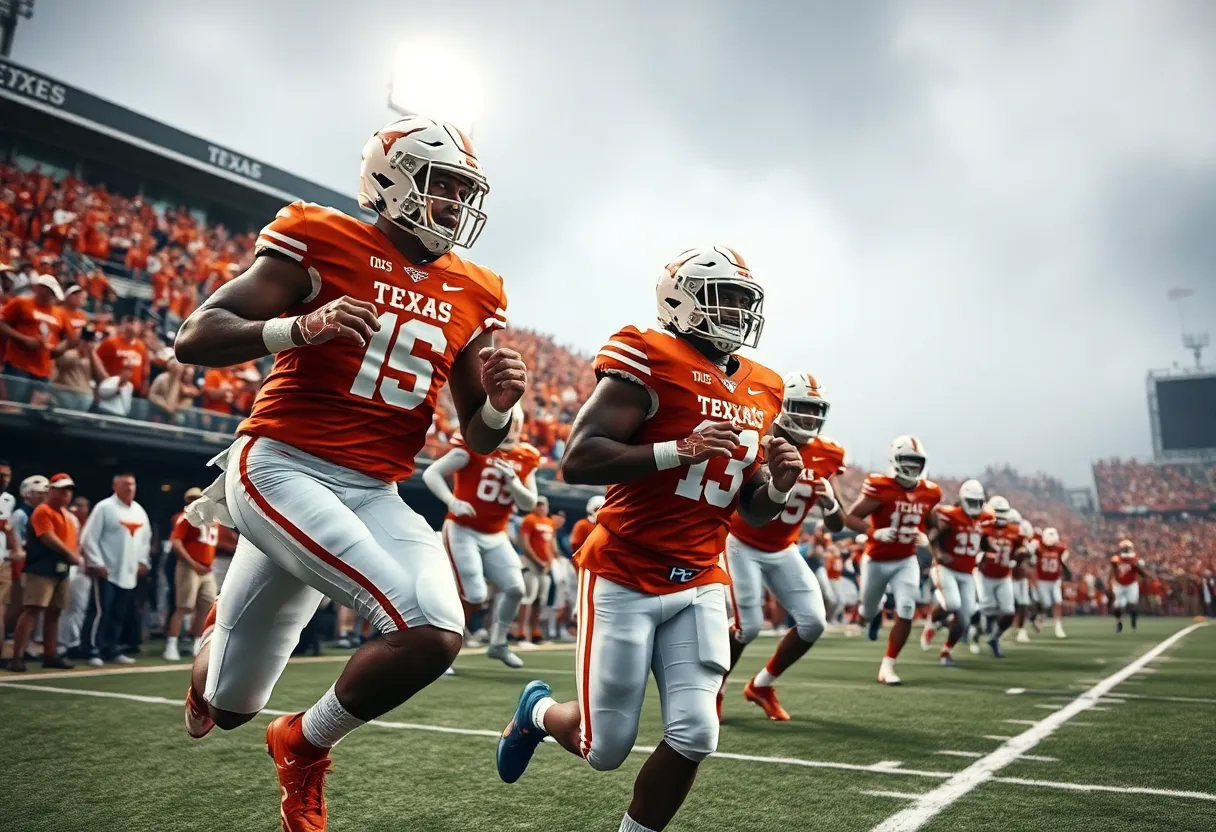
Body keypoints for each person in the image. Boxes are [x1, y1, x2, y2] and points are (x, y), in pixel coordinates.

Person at [171, 115, 526, 832]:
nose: (455, 204)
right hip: (281, 466)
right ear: (390, 182)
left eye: (464, 190)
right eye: (442, 185)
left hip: (375, 489)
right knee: (416, 630)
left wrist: (500, 408)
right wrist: (295, 328)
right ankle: (278, 717)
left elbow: (480, 436)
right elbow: (193, 338)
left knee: (242, 706)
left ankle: (283, 720)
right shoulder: (321, 237)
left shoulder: (474, 288)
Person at [496, 244, 799, 832]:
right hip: (625, 571)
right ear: (680, 298)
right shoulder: (649, 353)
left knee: (696, 733)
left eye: (744, 300)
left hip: (702, 576)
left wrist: (779, 488)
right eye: (723, 296)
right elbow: (579, 460)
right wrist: (676, 449)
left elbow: (752, 512)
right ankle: (536, 711)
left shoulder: (764, 386)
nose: (736, 311)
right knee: (604, 746)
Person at [719, 372, 844, 721]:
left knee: (814, 622)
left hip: (783, 547)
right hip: (741, 541)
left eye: (815, 409)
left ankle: (762, 684)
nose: (809, 417)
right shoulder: (758, 438)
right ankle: (716, 688)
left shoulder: (827, 454)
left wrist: (831, 504)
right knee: (748, 627)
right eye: (802, 407)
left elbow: (838, 523)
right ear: (784, 405)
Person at [423, 405, 538, 667]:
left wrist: (514, 483)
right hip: (463, 529)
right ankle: (442, 653)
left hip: (496, 534)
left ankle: (498, 643)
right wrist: (451, 501)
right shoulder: (474, 447)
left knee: (516, 588)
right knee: (473, 594)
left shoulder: (525, 457)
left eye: (516, 424)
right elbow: (432, 473)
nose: (512, 431)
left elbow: (529, 504)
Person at [844, 436, 942, 685]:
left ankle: (888, 665)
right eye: (907, 460)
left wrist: (926, 536)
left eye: (916, 461)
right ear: (894, 460)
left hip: (905, 559)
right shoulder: (881, 487)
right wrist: (872, 532)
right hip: (876, 559)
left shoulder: (929, 492)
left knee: (907, 608)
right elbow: (851, 518)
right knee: (867, 610)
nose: (912, 466)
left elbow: (934, 526)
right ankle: (873, 615)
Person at [79, 473, 152, 667]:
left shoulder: (139, 511)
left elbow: (145, 540)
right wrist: (96, 563)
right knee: (100, 612)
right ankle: (91, 649)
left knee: (119, 614)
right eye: (125, 484)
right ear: (115, 486)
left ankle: (110, 648)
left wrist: (143, 561)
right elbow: (89, 538)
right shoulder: (104, 508)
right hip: (107, 571)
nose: (129, 488)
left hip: (128, 573)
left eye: (132, 484)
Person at [9, 473, 80, 672]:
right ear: (52, 491)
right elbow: (47, 537)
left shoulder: (66, 516)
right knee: (32, 609)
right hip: (41, 567)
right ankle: (18, 656)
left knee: (55, 612)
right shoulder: (43, 511)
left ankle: (50, 654)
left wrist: (72, 555)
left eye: (69, 490)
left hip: (61, 568)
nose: (67, 494)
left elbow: (70, 541)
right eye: (62, 489)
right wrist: (71, 555)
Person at [921, 479, 988, 665]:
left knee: (965, 619)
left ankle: (946, 651)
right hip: (945, 568)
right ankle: (931, 622)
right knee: (951, 604)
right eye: (972, 501)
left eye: (978, 502)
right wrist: (939, 553)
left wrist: (988, 549)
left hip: (967, 572)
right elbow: (932, 535)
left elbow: (982, 542)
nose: (975, 506)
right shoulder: (948, 515)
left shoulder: (985, 518)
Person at [163, 487, 219, 662]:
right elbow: (176, 541)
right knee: (184, 607)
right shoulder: (186, 516)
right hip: (189, 567)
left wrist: (209, 561)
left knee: (207, 607)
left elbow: (210, 544)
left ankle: (195, 642)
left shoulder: (212, 519)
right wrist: (193, 562)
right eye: (191, 498)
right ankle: (171, 645)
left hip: (206, 569)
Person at [0, 274, 73, 401]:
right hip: (18, 364)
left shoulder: (60, 313)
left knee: (35, 409)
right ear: (40, 288)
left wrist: (57, 349)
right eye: (48, 291)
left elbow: (68, 338)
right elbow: (1, 323)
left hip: (43, 369)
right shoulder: (21, 302)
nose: (51, 295)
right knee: (14, 404)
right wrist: (24, 339)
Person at [975, 496, 1029, 658]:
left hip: (1004, 574)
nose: (1000, 516)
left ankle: (994, 638)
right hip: (984, 574)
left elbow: (1022, 549)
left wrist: (1022, 553)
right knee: (988, 609)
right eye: (997, 512)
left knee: (1008, 611)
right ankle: (975, 632)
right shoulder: (982, 527)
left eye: (1003, 512)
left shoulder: (1014, 530)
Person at [516, 495, 557, 645]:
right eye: (538, 504)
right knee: (528, 598)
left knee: (540, 600)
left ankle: (535, 633)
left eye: (543, 504)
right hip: (533, 564)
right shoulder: (529, 519)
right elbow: (524, 544)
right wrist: (538, 561)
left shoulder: (550, 522)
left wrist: (551, 561)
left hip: (545, 566)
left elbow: (551, 544)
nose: (541, 507)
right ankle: (521, 633)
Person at [0, 460, 21, 664]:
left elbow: (8, 527)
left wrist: (16, 548)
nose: (4, 480)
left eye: (6, 476)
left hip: (2, 560)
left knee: (2, 608)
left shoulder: (8, 500)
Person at [1034, 527, 1070, 639]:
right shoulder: (1038, 548)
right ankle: (1040, 616)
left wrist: (1064, 564)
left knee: (1058, 602)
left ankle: (1058, 627)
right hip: (1042, 580)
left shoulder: (1060, 548)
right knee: (1046, 604)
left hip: (1055, 580)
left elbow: (1065, 555)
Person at [1109, 539, 1148, 633]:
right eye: (1125, 548)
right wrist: (1110, 582)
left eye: (1128, 548)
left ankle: (1133, 621)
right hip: (1119, 584)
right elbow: (1112, 572)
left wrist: (1137, 567)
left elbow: (1143, 574)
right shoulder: (1116, 559)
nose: (1126, 550)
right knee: (1117, 607)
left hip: (1131, 585)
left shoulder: (1135, 559)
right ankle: (1119, 622)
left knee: (1133, 606)